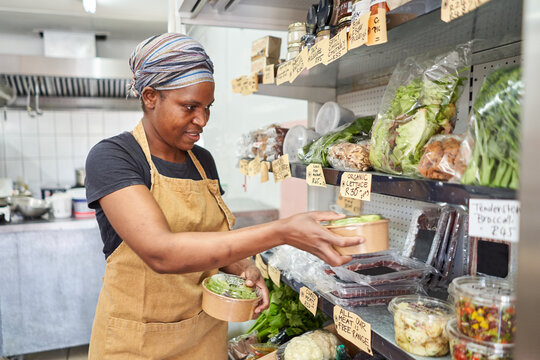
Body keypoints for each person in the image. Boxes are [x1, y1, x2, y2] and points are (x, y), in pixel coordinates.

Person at [85, 33, 363, 360]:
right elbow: (162, 252)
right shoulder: (114, 157)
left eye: (207, 108)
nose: (201, 120)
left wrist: (242, 266)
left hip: (203, 339)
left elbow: (213, 235)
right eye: (189, 107)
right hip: (138, 343)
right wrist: (283, 230)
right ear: (150, 96)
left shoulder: (202, 161)